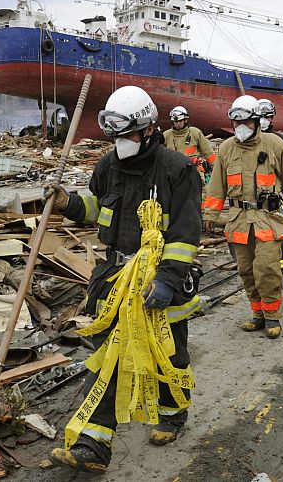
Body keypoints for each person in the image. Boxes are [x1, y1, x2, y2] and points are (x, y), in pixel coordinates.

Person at [44, 86, 202, 474]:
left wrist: (166, 280)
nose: (120, 143)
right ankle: (93, 444)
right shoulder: (108, 166)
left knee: (169, 354)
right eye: (114, 136)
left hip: (159, 280)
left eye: (127, 135)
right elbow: (97, 207)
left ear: (148, 130)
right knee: (108, 357)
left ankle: (172, 413)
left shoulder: (177, 170)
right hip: (114, 279)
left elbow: (185, 233)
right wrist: (67, 203)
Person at [203, 95, 283, 339]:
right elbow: (216, 186)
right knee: (246, 270)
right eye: (236, 123)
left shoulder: (274, 144)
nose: (241, 128)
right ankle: (258, 314)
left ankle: (272, 316)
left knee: (267, 269)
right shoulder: (226, 149)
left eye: (246, 122)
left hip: (267, 219)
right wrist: (211, 213)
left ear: (256, 121)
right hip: (239, 220)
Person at [256, 99, 283, 287]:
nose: (264, 120)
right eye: (261, 116)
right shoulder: (247, 141)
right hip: (253, 197)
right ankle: (263, 270)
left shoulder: (280, 141)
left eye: (267, 116)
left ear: (272, 118)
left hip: (274, 196)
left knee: (281, 231)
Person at [162, 105, 216, 181]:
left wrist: (216, 170)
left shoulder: (195, 133)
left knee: (201, 187)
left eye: (180, 121)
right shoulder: (166, 135)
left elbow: (208, 153)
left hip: (194, 171)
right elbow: (159, 156)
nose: (178, 123)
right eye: (176, 121)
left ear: (185, 120)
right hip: (174, 174)